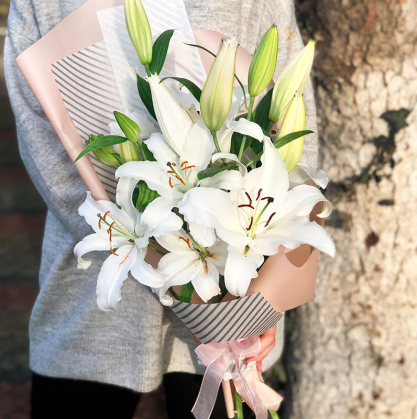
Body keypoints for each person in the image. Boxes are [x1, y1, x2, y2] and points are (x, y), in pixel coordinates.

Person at [4, 0, 318, 417]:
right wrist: (174, 271)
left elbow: (293, 118)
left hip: (239, 299)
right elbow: (46, 146)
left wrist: (255, 299)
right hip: (96, 308)